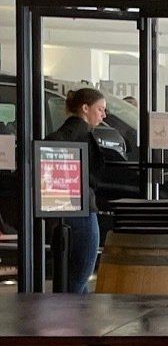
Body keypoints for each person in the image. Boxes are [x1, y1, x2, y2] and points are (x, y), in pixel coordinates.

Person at [52, 88, 111, 292]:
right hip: (82, 209)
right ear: (85, 108)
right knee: (79, 278)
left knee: (74, 279)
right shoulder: (81, 135)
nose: (103, 115)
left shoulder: (64, 134)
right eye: (100, 109)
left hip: (64, 209)